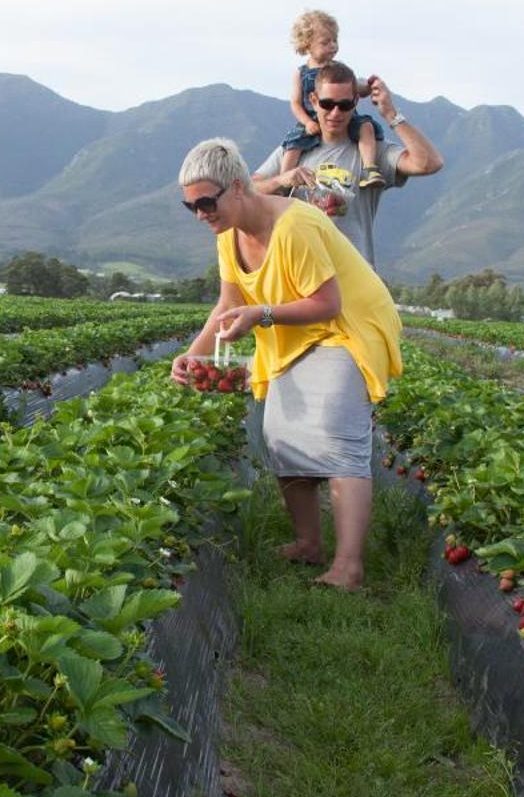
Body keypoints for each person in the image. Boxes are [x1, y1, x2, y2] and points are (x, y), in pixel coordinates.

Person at [172, 137, 403, 591]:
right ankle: (308, 544)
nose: (200, 214)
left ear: (238, 187)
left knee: (337, 439)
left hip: (348, 326)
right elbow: (228, 301)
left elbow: (328, 303)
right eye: (190, 207)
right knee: (281, 436)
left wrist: (261, 315)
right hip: (293, 333)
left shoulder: (293, 226)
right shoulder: (228, 235)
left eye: (206, 202)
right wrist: (192, 354)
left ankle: (348, 568)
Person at [251, 63, 444, 269]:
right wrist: (281, 180)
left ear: (355, 102)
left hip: (355, 278)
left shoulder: (371, 150)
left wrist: (391, 114)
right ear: (313, 101)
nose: (336, 112)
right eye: (327, 104)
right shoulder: (294, 148)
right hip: (301, 275)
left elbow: (429, 163)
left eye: (344, 105)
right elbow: (248, 190)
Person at [275, 10, 385, 192]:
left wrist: (369, 86)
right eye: (325, 42)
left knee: (366, 127)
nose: (332, 46)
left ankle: (369, 169)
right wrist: (307, 122)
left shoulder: (339, 70)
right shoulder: (301, 73)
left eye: (335, 40)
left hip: (345, 120)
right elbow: (295, 103)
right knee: (292, 144)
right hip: (312, 119)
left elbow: (356, 87)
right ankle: (284, 182)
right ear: (307, 44)